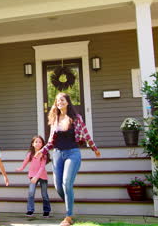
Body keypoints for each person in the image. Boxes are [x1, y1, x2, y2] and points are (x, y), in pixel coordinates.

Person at [35, 93, 101, 226]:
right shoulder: (55, 119)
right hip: (58, 154)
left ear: (67, 102)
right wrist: (41, 151)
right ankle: (70, 207)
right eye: (57, 101)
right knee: (59, 186)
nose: (59, 102)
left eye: (62, 100)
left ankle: (68, 216)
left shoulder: (76, 118)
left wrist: (94, 148)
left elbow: (86, 133)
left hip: (73, 153)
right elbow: (50, 142)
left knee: (66, 182)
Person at [16, 135, 52, 218]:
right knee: (31, 193)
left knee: (44, 194)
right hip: (32, 176)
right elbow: (25, 162)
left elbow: (42, 167)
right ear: (32, 144)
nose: (38, 143)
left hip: (42, 176)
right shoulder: (30, 154)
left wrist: (36, 177)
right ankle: (30, 210)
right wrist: (21, 168)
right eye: (36, 142)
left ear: (43, 144)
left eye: (40, 142)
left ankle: (46, 211)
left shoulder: (43, 154)